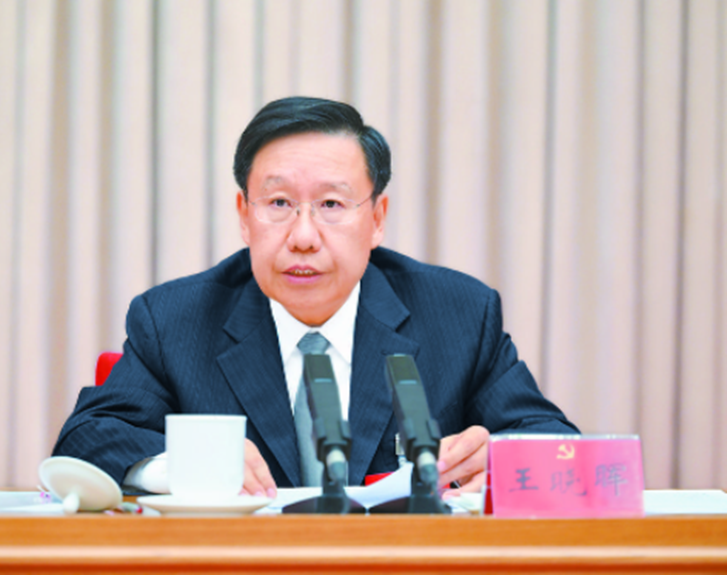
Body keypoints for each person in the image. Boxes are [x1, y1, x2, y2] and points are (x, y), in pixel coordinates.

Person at [52, 96, 577, 498]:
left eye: (331, 204)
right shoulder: (176, 321)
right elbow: (86, 439)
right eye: (279, 202)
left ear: (377, 219)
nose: (303, 236)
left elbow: (558, 446)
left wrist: (503, 462)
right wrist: (180, 466)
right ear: (244, 215)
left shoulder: (458, 314)